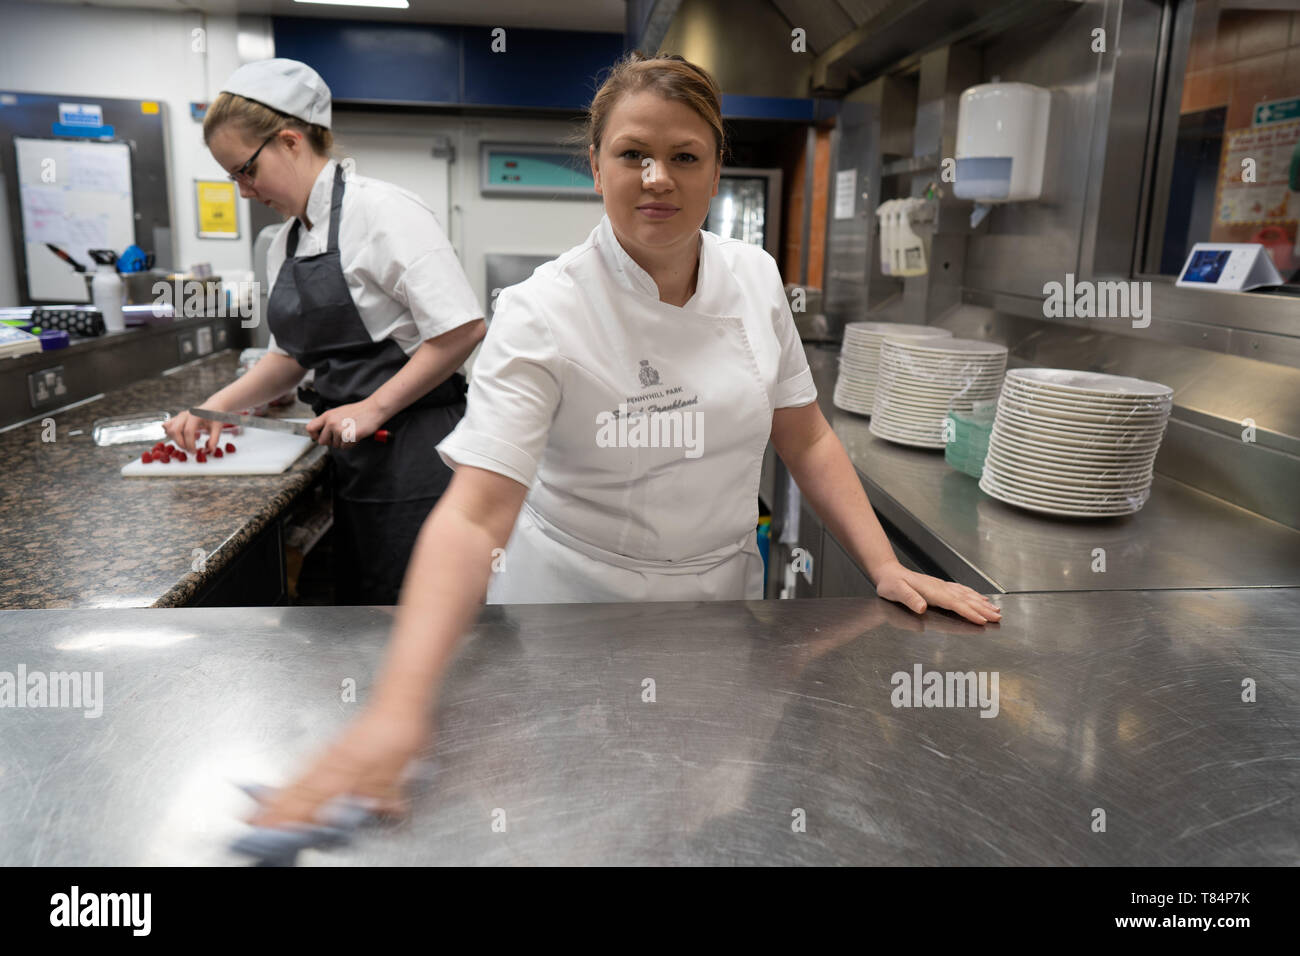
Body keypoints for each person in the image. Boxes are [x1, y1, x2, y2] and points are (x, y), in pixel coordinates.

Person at [247, 52, 1002, 828]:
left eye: (684, 157)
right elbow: (475, 516)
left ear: (715, 173)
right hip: (566, 617)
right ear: (596, 168)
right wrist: (396, 712)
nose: (657, 178)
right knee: (570, 820)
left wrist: (882, 565)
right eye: (632, 154)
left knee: (699, 811)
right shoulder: (541, 311)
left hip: (717, 613)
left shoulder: (756, 278)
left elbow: (804, 435)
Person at [165, 59, 485, 604]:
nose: (243, 191)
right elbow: (291, 356)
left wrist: (372, 408)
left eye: (246, 169)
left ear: (289, 141)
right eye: (232, 177)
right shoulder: (284, 243)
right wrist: (213, 408)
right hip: (352, 449)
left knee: (413, 604)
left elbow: (461, 328)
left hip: (416, 449)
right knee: (367, 602)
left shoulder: (383, 213)